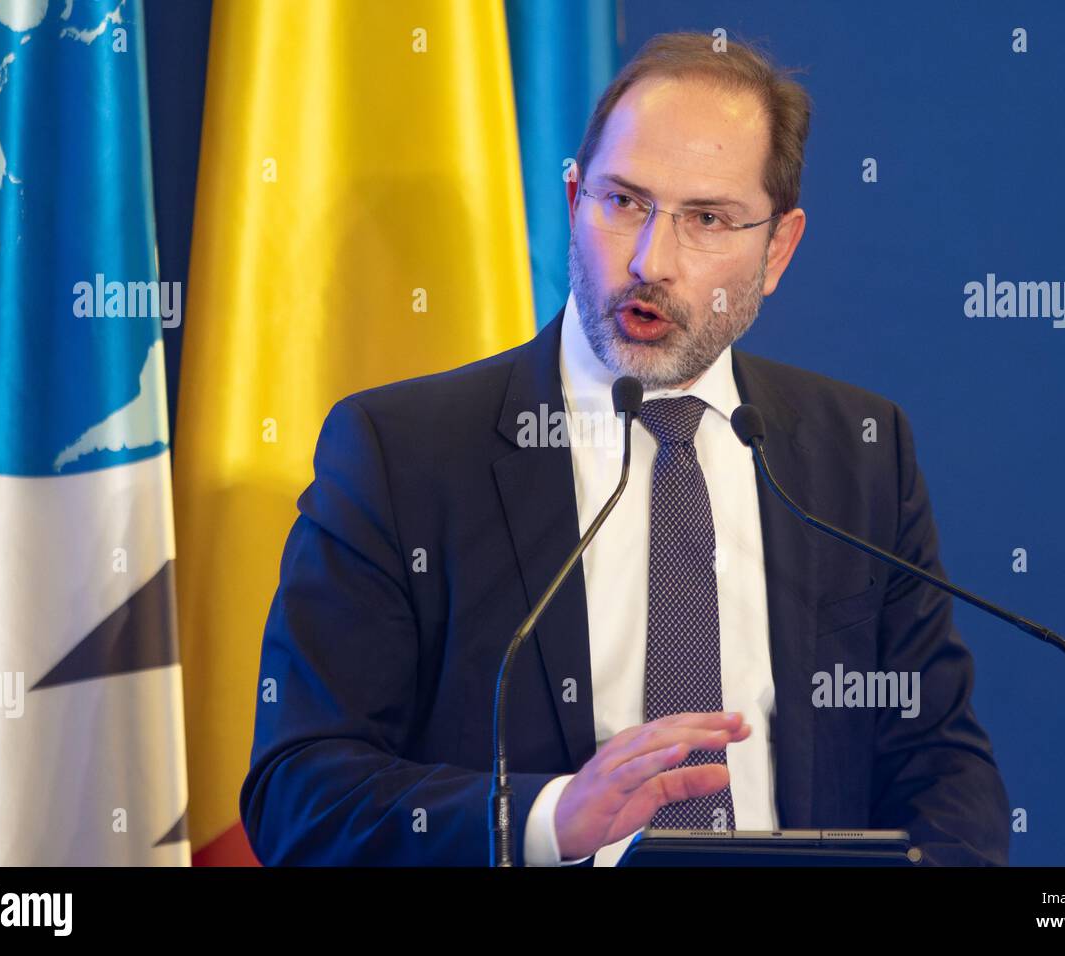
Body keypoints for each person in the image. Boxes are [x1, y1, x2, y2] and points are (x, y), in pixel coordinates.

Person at [240, 31, 1010, 867]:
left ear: (777, 249)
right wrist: (547, 819)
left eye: (707, 219)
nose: (652, 260)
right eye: (624, 203)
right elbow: (300, 791)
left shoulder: (858, 452)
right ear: (574, 201)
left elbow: (938, 762)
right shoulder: (402, 454)